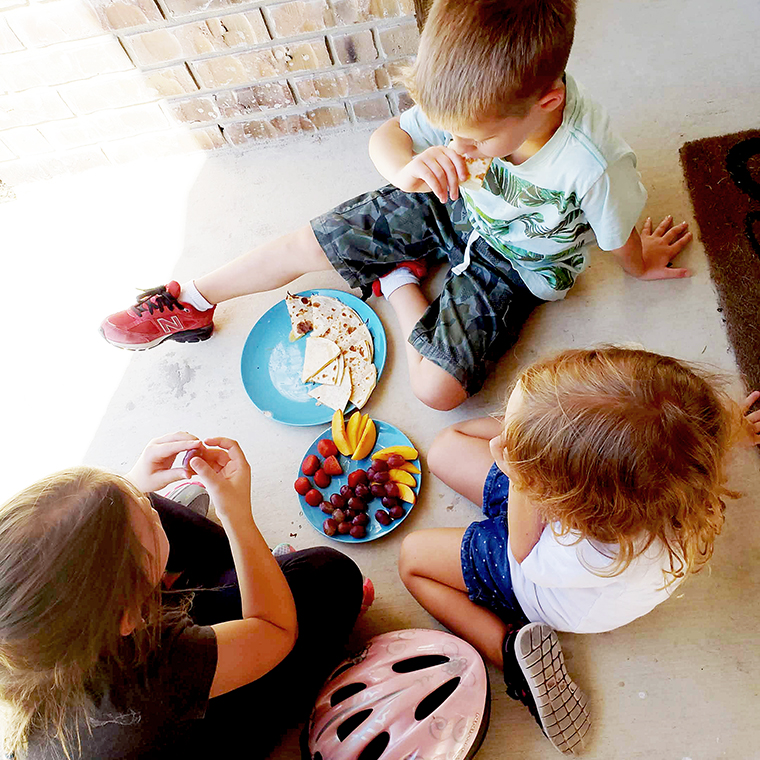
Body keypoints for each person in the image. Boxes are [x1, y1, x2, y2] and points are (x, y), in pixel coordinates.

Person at [99, 0, 691, 412]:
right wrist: (407, 168)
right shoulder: (469, 104)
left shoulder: (593, 163)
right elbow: (388, 137)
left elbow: (618, 240)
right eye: (448, 129)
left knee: (436, 392)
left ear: (548, 100)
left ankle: (402, 282)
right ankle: (193, 299)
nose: (458, 144)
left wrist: (641, 263)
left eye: (475, 139)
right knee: (309, 242)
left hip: (518, 266)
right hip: (447, 200)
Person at [398, 347, 760, 755]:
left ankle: (510, 655)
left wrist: (519, 471)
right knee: (447, 446)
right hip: (561, 524)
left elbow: (523, 552)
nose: (504, 440)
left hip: (545, 584)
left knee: (413, 559)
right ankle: (541, 434)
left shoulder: (589, 551)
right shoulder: (681, 471)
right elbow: (696, 429)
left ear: (572, 502)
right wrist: (735, 430)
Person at [0, 432, 368, 760]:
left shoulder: (26, 633)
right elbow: (274, 630)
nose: (147, 501)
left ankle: (218, 561)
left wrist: (129, 484)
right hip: (199, 728)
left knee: (140, 511)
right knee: (330, 575)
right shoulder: (150, 673)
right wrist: (237, 514)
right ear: (130, 616)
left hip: (144, 657)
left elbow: (77, 547)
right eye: (143, 511)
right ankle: (252, 565)